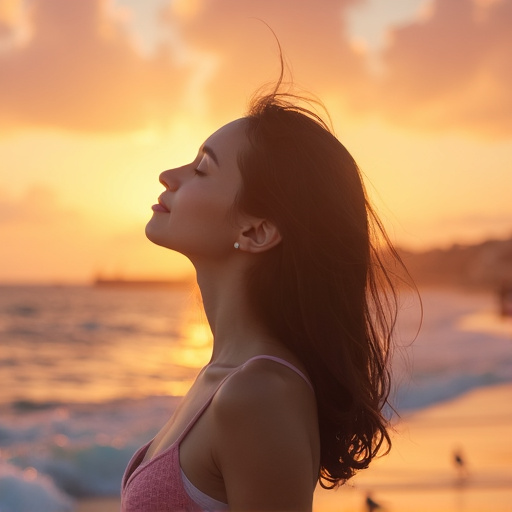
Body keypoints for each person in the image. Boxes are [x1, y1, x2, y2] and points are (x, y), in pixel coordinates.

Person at [120, 75, 405, 511]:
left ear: (256, 231)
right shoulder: (223, 378)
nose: (168, 176)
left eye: (201, 169)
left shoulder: (259, 394)